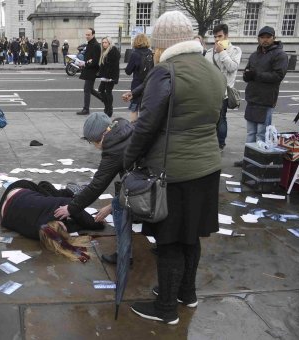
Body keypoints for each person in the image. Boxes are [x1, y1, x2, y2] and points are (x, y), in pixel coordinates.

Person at [123, 11, 225, 325]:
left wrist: (128, 159)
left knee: (169, 240)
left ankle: (166, 308)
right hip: (207, 167)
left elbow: (146, 124)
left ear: (164, 44)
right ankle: (186, 294)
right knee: (190, 236)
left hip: (174, 171)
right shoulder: (210, 68)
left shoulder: (165, 72)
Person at [53, 112, 133, 263]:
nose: (96, 146)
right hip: (154, 178)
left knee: (119, 210)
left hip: (148, 186)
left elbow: (97, 185)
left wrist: (70, 208)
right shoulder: (123, 126)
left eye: (93, 142)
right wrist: (113, 202)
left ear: (99, 137)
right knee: (117, 203)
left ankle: (124, 256)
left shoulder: (113, 148)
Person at [1, 180, 105, 240]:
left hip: (18, 188)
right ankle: (69, 191)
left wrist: (95, 223)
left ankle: (69, 191)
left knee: (45, 185)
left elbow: (74, 208)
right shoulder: (39, 234)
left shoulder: (52, 208)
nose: (66, 225)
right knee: (45, 188)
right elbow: (72, 226)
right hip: (5, 209)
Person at [240, 26, 288, 152]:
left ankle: (258, 158)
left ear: (274, 38)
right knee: (251, 132)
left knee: (261, 133)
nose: (265, 40)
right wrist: (246, 75)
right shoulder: (254, 55)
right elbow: (248, 72)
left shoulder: (280, 55)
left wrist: (256, 74)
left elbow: (278, 75)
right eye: (262, 37)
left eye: (268, 37)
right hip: (252, 98)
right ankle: (248, 158)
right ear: (258, 39)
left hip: (266, 99)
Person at [205, 24, 241, 151]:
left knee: (221, 118)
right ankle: (210, 141)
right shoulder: (209, 52)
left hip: (224, 92)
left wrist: (222, 53)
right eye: (215, 37)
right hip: (210, 91)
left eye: (219, 36)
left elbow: (232, 67)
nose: (217, 39)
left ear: (226, 35)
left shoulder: (235, 50)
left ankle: (220, 143)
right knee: (209, 118)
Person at [124, 34, 153, 121]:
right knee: (145, 107)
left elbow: (128, 71)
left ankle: (133, 127)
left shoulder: (135, 54)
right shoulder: (151, 53)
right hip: (149, 83)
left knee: (134, 108)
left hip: (137, 84)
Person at [77, 28, 102, 116]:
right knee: (90, 89)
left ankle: (86, 109)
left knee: (87, 89)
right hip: (88, 69)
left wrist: (85, 63)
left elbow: (95, 61)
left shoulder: (95, 45)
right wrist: (83, 62)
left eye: (89, 35)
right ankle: (104, 98)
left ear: (93, 35)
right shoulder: (90, 44)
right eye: (86, 35)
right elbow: (89, 57)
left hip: (92, 70)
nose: (87, 36)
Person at [93, 37, 120, 117]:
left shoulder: (113, 51)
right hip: (106, 76)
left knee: (108, 92)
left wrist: (109, 77)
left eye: (105, 42)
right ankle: (107, 106)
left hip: (110, 76)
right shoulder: (105, 51)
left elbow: (113, 66)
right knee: (101, 90)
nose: (104, 44)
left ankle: (109, 109)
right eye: (103, 42)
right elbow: (104, 65)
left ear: (109, 43)